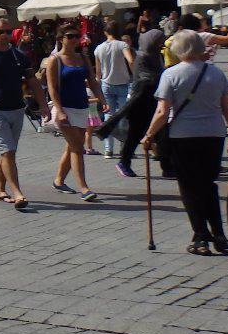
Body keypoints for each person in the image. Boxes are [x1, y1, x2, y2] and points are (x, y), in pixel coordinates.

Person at [144, 30, 228, 256]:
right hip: (213, 135)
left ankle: (201, 236)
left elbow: (162, 112)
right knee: (208, 184)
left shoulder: (171, 74)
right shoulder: (216, 74)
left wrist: (149, 135)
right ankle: (219, 235)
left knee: (190, 188)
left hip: (183, 136)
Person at [0, 19, 48, 210]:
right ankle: (17, 193)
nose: (6, 35)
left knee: (7, 151)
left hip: (17, 109)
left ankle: (0, 188)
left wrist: (44, 105)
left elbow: (33, 82)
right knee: (8, 151)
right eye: (1, 32)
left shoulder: (19, 55)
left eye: (8, 32)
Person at [103, 19, 170, 179]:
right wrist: (162, 77)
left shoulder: (155, 55)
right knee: (134, 135)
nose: (162, 44)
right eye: (160, 41)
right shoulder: (143, 56)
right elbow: (144, 77)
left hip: (153, 100)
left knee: (162, 135)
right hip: (140, 101)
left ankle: (167, 167)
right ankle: (124, 162)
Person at [44, 25, 104, 201]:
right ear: (61, 38)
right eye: (70, 36)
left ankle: (59, 180)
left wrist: (102, 99)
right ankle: (84, 188)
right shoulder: (55, 60)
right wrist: (60, 110)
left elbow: (92, 82)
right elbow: (52, 88)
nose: (75, 40)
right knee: (78, 148)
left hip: (82, 107)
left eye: (78, 36)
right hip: (65, 109)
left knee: (72, 146)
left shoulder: (83, 58)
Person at [94, 22, 134, 159]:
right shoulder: (123, 45)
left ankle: (108, 150)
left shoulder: (98, 48)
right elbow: (131, 60)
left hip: (106, 84)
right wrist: (134, 74)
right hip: (123, 83)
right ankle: (124, 147)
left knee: (108, 115)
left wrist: (97, 85)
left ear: (105, 32)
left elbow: (98, 72)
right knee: (124, 115)